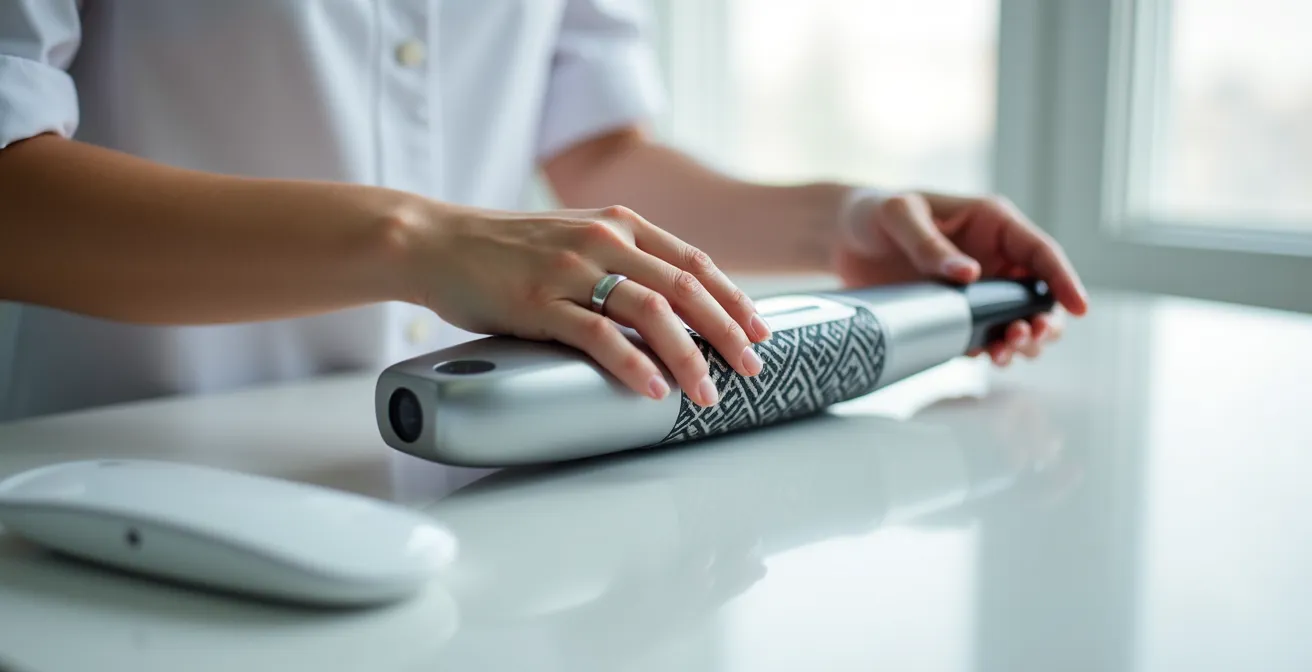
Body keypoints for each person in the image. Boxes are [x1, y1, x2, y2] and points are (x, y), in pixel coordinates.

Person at [0, 1, 1088, 422]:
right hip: (127, 471)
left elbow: (598, 152)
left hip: (472, 477)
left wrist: (842, 220)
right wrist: (418, 242)